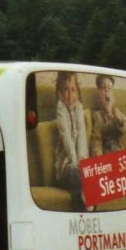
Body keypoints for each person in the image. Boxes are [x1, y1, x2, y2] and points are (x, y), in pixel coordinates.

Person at [53, 71, 89, 209]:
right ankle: (80, 206)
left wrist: (83, 161)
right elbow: (66, 138)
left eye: (73, 90)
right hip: (65, 165)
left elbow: (82, 136)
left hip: (79, 162)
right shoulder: (60, 108)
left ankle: (91, 204)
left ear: (78, 92)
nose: (70, 94)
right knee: (74, 172)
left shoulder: (79, 107)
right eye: (66, 90)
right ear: (60, 93)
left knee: (91, 171)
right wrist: (75, 161)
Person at [89, 74, 126, 156]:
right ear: (99, 96)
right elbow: (97, 137)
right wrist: (97, 154)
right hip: (106, 152)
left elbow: (123, 126)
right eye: (103, 87)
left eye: (109, 88)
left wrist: (113, 114)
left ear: (113, 97)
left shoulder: (117, 113)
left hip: (119, 150)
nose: (106, 90)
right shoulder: (97, 115)